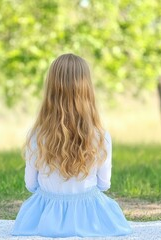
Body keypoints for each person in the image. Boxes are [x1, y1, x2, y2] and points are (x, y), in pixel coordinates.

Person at [11, 53, 132, 238]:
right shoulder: (100, 136)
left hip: (45, 218)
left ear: (50, 90)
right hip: (89, 217)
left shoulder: (37, 135)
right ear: (87, 91)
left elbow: (31, 184)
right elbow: (104, 184)